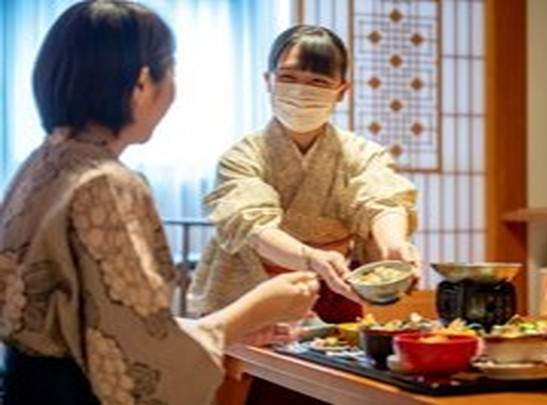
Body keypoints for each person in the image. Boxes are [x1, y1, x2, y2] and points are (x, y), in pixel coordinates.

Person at [0, 2, 319, 404]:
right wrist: (257, 308)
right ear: (142, 83)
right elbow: (144, 363)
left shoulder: (43, 163)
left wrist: (232, 328)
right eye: (171, 69)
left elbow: (109, 327)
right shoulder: (106, 185)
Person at [189, 25, 420, 324]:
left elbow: (382, 201)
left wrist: (394, 246)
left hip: (334, 284)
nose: (301, 90)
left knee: (335, 352)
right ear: (268, 81)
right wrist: (309, 257)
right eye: (288, 78)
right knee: (247, 355)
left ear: (342, 91)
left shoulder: (363, 154)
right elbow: (251, 224)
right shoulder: (242, 156)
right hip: (250, 286)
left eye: (318, 81)